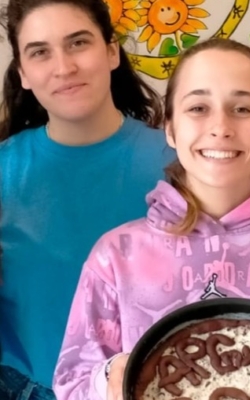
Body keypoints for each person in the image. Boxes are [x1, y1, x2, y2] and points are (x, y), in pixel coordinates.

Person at [53, 37, 250, 400]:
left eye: (242, 109)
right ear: (170, 128)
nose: (221, 127)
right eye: (198, 108)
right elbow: (71, 383)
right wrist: (109, 378)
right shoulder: (116, 255)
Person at [0, 0, 175, 397]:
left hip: (155, 386)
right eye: (40, 52)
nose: (64, 67)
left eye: (78, 43)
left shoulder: (181, 165)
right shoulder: (4, 172)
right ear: (23, 73)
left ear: (112, 52)